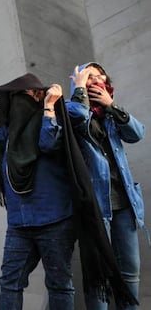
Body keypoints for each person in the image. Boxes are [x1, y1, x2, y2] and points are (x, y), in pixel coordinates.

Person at [0, 73, 75, 309]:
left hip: (54, 220)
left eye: (23, 95)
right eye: (14, 96)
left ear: (37, 95)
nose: (18, 101)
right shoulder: (8, 133)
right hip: (19, 224)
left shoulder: (52, 120)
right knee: (10, 283)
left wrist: (48, 108)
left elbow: (47, 142)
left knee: (59, 285)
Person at [66, 63, 145, 310]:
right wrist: (79, 89)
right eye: (90, 76)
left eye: (101, 76)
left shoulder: (111, 113)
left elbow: (137, 133)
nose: (97, 80)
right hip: (96, 206)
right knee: (99, 277)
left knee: (130, 272)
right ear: (80, 81)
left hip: (124, 202)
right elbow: (78, 116)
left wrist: (112, 106)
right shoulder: (71, 108)